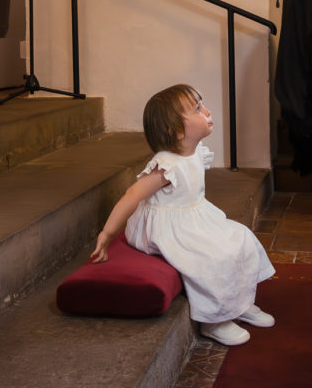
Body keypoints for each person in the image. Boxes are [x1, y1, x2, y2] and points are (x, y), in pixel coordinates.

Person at [90, 84, 276, 346]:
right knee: (211, 256)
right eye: (198, 109)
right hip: (164, 224)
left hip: (193, 215)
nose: (207, 111)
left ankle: (238, 303)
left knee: (240, 238)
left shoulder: (196, 153)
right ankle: (214, 320)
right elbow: (132, 195)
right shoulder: (167, 165)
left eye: (202, 105)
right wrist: (108, 233)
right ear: (176, 131)